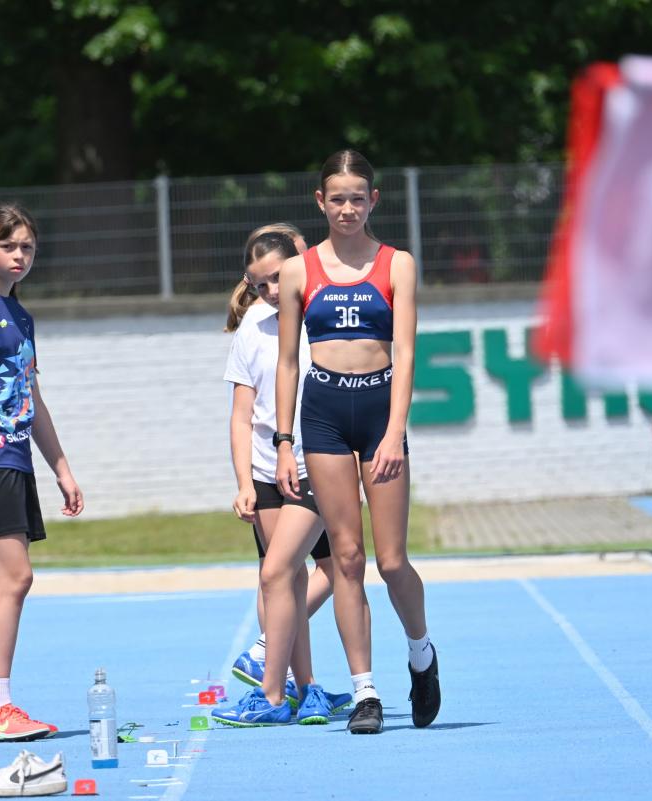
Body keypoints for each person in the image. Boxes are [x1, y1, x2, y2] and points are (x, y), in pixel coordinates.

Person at [275, 150, 440, 735]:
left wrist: (395, 431)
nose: (347, 208)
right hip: (322, 415)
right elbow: (288, 361)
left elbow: (407, 352)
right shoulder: (298, 270)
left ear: (374, 200)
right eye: (337, 198)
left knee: (391, 561)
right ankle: (365, 690)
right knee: (346, 557)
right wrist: (283, 441)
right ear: (320, 201)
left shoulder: (397, 264)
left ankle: (421, 653)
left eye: (357, 198)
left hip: (378, 415)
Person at [0, 204, 84, 742]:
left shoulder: (20, 315)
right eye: (8, 246)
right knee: (16, 578)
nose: (19, 255)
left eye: (27, 247)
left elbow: (33, 398)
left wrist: (62, 469)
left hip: (15, 458)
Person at [213, 224, 352, 726]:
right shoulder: (253, 327)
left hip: (317, 462)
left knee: (281, 574)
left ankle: (269, 686)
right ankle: (306, 688)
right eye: (260, 284)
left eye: (276, 278)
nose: (271, 290)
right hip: (266, 471)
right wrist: (244, 482)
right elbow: (241, 416)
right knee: (286, 579)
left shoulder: (326, 316)